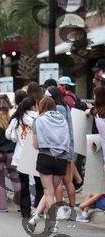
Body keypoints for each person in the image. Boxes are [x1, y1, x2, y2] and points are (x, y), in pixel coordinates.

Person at [28, 96, 71, 234]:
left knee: (48, 191)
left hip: (46, 157)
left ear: (41, 106)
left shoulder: (38, 120)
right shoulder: (63, 119)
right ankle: (36, 217)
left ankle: (53, 223)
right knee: (50, 190)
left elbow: (36, 145)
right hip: (62, 158)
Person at [6, 96, 43, 218]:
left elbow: (8, 135)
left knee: (24, 184)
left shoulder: (17, 118)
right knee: (39, 182)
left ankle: (25, 211)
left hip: (20, 155)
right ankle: (38, 209)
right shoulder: (38, 118)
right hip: (35, 154)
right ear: (33, 106)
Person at [46, 86, 76, 216]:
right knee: (68, 181)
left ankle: (60, 210)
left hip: (57, 149)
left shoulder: (54, 109)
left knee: (56, 182)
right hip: (68, 147)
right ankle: (73, 209)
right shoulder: (66, 107)